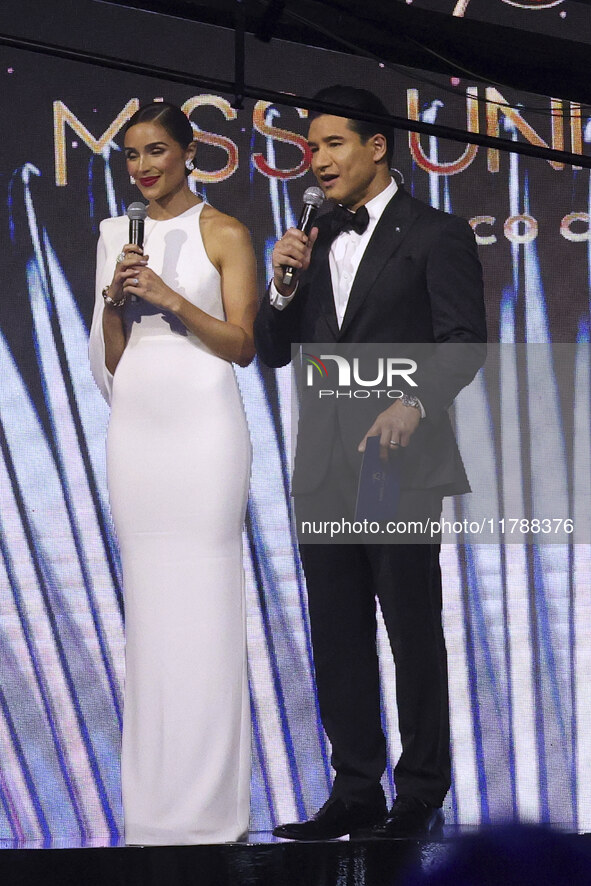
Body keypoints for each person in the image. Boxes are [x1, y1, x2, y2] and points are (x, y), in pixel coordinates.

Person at [254, 85, 486, 840]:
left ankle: (420, 792)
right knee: (337, 631)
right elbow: (271, 351)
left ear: (375, 147)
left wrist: (410, 401)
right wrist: (283, 280)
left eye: (330, 145)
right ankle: (354, 790)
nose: (315, 162)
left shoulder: (435, 233)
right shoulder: (310, 236)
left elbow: (462, 343)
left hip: (398, 459)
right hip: (323, 459)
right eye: (308, 149)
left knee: (409, 626)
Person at [89, 102, 257, 845]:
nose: (144, 166)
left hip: (204, 428)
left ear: (191, 153)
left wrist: (169, 297)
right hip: (138, 427)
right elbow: (116, 360)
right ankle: (153, 810)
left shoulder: (224, 232)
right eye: (131, 156)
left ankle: (211, 811)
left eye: (157, 150)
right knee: (152, 615)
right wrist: (115, 305)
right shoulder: (112, 236)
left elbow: (242, 344)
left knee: (205, 609)